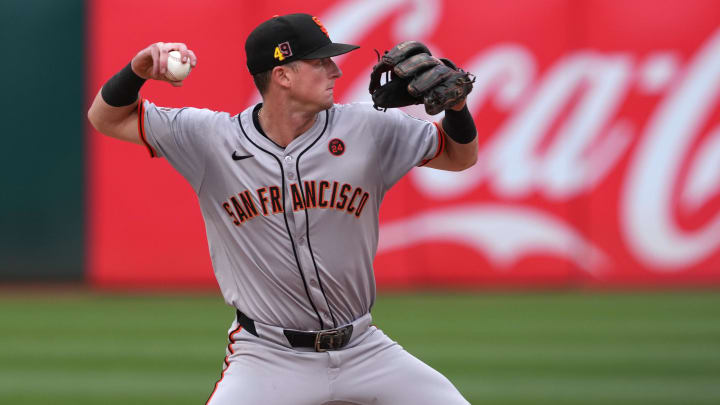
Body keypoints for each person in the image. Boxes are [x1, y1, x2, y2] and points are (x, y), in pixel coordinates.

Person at [88, 13, 477, 405]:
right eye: (320, 61)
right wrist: (138, 70)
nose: (336, 71)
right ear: (283, 76)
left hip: (364, 349)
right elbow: (104, 117)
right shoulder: (211, 140)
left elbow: (460, 156)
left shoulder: (368, 128)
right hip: (266, 358)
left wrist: (457, 107)